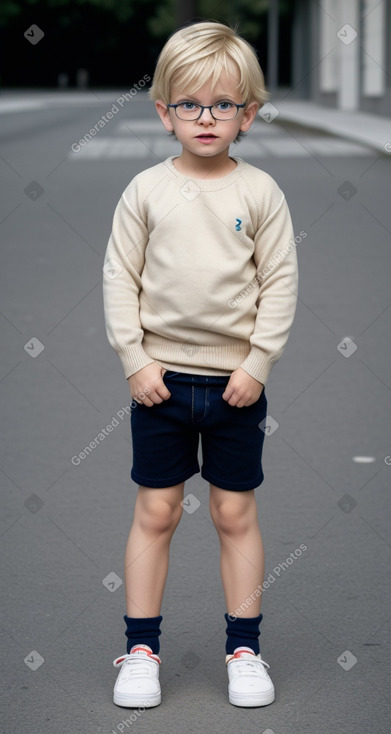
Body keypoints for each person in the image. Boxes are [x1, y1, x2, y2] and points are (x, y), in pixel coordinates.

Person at [103, 19, 298, 709]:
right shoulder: (145, 191)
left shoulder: (260, 193)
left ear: (247, 113)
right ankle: (140, 651)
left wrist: (257, 363)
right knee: (155, 511)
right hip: (158, 383)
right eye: (189, 104)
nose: (205, 117)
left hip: (236, 388)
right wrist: (134, 360)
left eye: (223, 104)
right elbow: (118, 280)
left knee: (233, 513)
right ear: (164, 112)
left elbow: (278, 283)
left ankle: (244, 647)